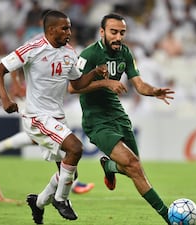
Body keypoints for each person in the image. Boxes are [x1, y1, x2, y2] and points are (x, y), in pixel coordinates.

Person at [0, 10, 107, 224]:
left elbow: (77, 84)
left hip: (57, 117)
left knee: (68, 173)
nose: (69, 32)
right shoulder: (33, 48)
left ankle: (38, 203)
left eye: (70, 28)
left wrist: (95, 74)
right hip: (37, 116)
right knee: (76, 148)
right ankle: (61, 200)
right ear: (51, 30)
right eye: (65, 28)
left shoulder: (70, 52)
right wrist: (5, 100)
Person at [68, 13, 174, 224]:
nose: (118, 37)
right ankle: (169, 216)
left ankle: (109, 167)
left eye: (122, 33)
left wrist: (153, 91)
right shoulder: (88, 55)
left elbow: (140, 84)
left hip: (118, 115)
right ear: (102, 32)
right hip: (97, 120)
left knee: (136, 168)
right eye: (113, 32)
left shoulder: (125, 53)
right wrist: (105, 83)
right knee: (134, 165)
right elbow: (73, 87)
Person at [0, 133, 95, 194]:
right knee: (53, 139)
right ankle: (72, 182)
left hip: (45, 107)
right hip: (39, 107)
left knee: (42, 137)